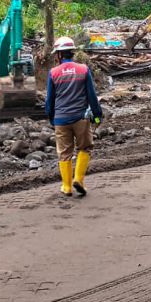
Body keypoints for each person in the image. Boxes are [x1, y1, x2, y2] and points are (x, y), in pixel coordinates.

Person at [45, 36, 103, 197]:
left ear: (59, 55)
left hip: (60, 119)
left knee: (64, 153)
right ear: (72, 52)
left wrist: (51, 117)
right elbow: (91, 96)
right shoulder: (83, 69)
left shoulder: (53, 72)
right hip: (81, 118)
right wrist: (97, 115)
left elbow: (49, 99)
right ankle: (78, 179)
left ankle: (67, 186)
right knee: (85, 147)